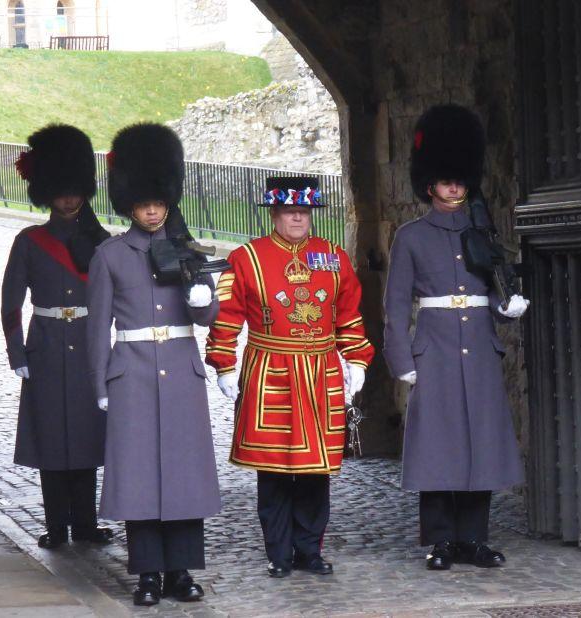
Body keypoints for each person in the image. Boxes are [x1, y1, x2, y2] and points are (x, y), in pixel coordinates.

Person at [382, 104, 529, 571]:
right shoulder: (411, 236)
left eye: (459, 180)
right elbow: (395, 303)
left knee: (479, 443)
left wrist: (505, 307)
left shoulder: (482, 231)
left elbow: (492, 290)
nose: (453, 187)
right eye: (446, 181)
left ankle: (474, 538)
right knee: (439, 447)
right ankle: (441, 539)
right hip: (436, 348)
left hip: (479, 349)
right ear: (431, 185)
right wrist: (401, 357)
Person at [205, 176, 375, 578]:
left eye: (304, 211)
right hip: (272, 370)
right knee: (276, 468)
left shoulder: (333, 256)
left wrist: (356, 360)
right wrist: (224, 363)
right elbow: (227, 314)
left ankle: (309, 550)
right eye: (289, 211)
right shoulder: (247, 258)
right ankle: (278, 553)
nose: (298, 218)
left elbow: (348, 314)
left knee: (316, 469)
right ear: (275, 213)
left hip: (320, 371)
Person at [86, 123, 221, 607]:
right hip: (134, 375)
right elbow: (97, 325)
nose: (152, 210)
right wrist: (100, 380)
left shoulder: (186, 251)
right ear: (131, 204)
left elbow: (206, 316)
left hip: (181, 372)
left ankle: (181, 572)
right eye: (144, 203)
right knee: (139, 478)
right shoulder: (110, 256)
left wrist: (204, 294)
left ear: (168, 201)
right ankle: (147, 572)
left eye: (159, 203)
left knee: (184, 477)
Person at [0, 124, 113, 550]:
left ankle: (85, 523)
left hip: (87, 345)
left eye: (74, 191)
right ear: (48, 192)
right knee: (52, 440)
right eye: (62, 191)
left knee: (85, 437)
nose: (69, 199)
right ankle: (56, 525)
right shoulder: (30, 241)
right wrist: (17, 352)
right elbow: (11, 301)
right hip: (45, 346)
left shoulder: (100, 242)